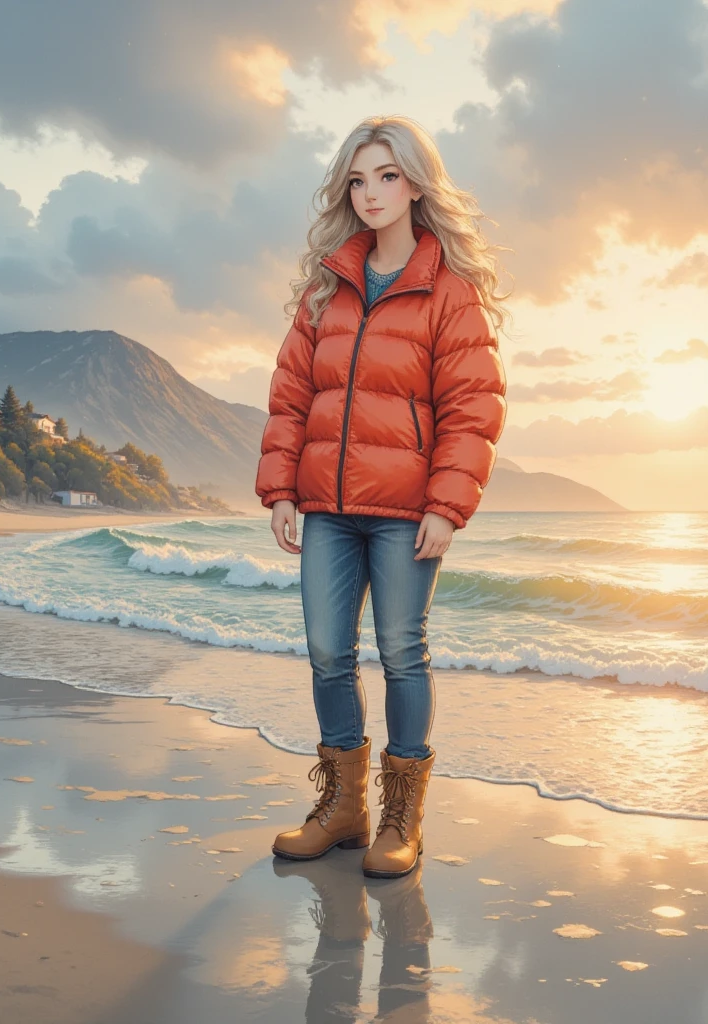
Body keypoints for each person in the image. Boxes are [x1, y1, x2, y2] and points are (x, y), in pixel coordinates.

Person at [255, 114, 510, 878]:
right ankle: (343, 808)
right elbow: (290, 395)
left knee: (403, 653)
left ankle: (402, 818)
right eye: (358, 179)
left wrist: (445, 504)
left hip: (406, 513)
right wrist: (280, 489)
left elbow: (474, 406)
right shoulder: (323, 290)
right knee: (328, 653)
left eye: (387, 176)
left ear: (416, 183)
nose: (371, 193)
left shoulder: (449, 292)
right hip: (325, 508)